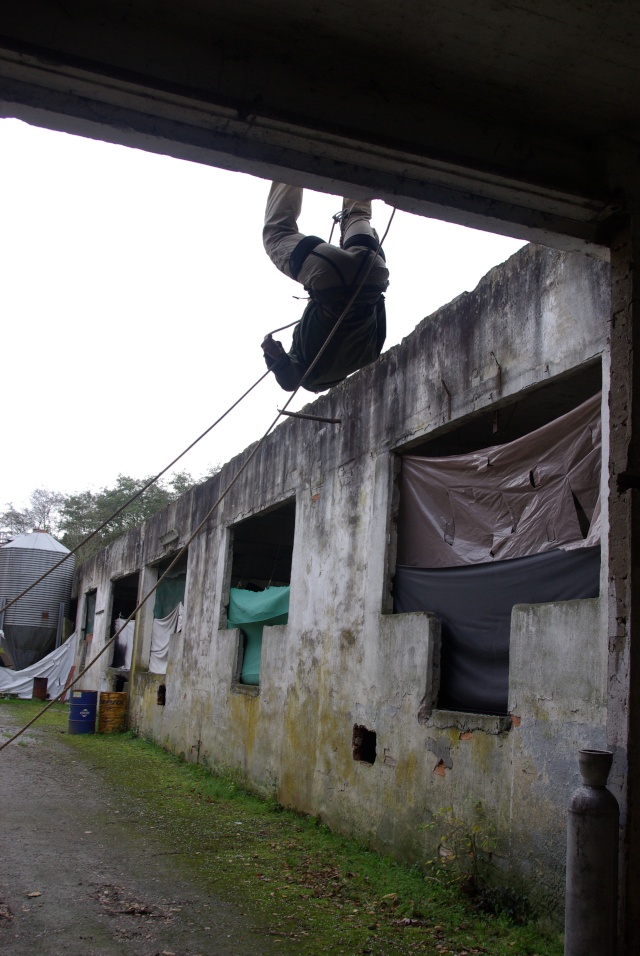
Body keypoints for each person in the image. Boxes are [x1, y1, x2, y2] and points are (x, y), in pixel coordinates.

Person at [261, 182, 390, 393]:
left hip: (373, 271)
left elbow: (379, 305)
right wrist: (275, 357)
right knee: (277, 233)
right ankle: (290, 164)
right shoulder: (310, 376)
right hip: (330, 278)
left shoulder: (369, 355)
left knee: (357, 215)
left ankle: (357, 161)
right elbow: (291, 382)